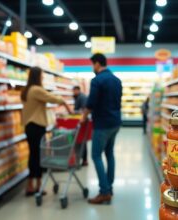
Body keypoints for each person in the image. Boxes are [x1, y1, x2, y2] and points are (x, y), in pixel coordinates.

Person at [21, 66, 71, 196]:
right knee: (37, 156)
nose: (43, 77)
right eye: (42, 75)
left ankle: (33, 185)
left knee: (34, 155)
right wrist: (64, 102)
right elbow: (51, 98)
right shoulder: (36, 89)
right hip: (36, 126)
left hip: (29, 126)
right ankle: (35, 185)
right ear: (37, 76)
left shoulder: (27, 90)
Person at [81, 53, 122, 205]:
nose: (93, 68)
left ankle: (104, 192)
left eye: (93, 64)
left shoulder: (97, 80)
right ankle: (109, 188)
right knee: (109, 154)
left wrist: (83, 117)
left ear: (97, 64)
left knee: (96, 155)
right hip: (115, 122)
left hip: (102, 124)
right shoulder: (117, 80)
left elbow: (91, 103)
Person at [72, 86, 89, 166]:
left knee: (82, 141)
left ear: (78, 90)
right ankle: (83, 159)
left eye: (74, 91)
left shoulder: (81, 97)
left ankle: (83, 159)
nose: (73, 92)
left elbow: (83, 109)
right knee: (82, 140)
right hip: (82, 120)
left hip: (82, 121)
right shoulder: (78, 97)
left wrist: (75, 112)